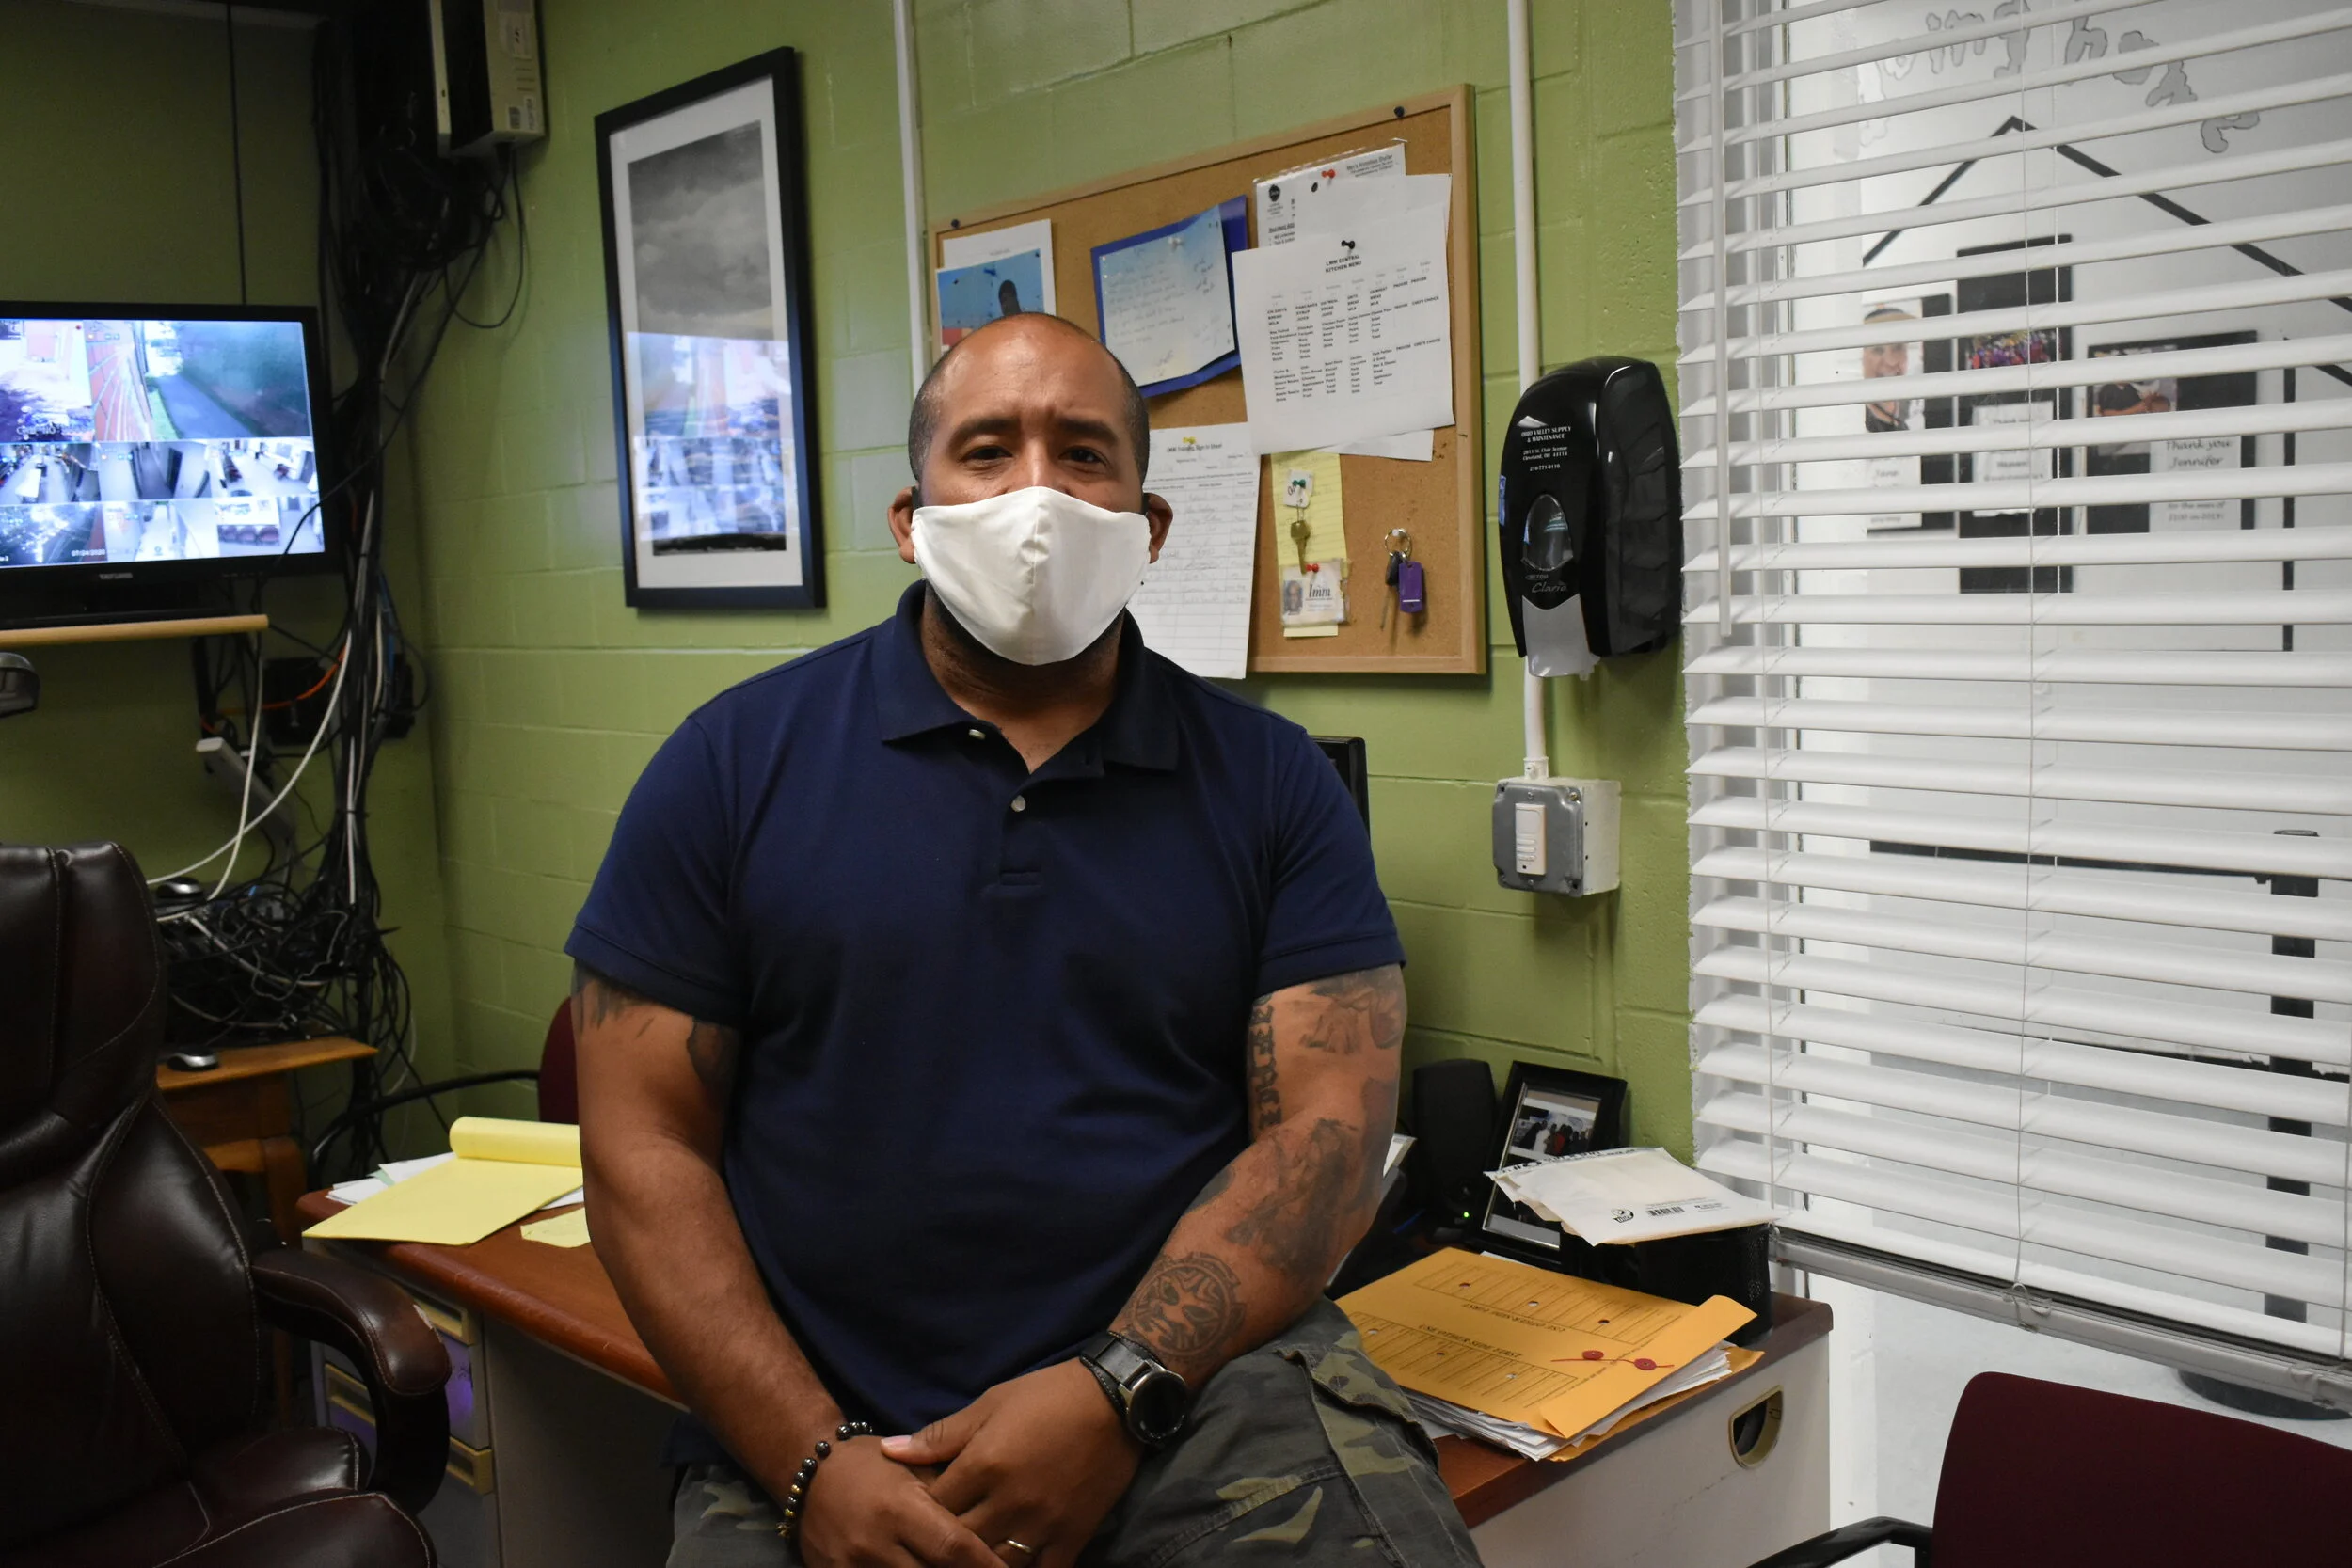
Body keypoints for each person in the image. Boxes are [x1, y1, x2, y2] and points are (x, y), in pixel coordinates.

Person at [569, 311, 1480, 1568]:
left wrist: (1120, 1388)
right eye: (988, 450)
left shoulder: (1271, 785)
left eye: (1087, 454)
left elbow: (1326, 1135)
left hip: (1196, 1393)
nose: (1036, 494)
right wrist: (810, 1462)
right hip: (821, 1423)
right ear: (912, 516)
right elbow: (639, 1142)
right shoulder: (730, 769)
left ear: (1149, 527)